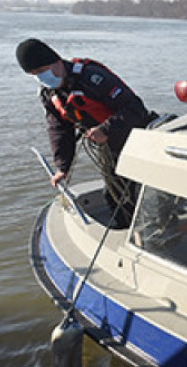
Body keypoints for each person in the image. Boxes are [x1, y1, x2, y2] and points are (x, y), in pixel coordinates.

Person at [16, 38, 157, 226]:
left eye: (42, 71)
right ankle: (130, 233)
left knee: (148, 192)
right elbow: (59, 130)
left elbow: (135, 108)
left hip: (139, 137)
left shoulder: (92, 78)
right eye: (34, 74)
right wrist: (62, 167)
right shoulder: (50, 94)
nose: (41, 78)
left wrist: (106, 129)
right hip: (110, 146)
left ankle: (163, 229)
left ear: (57, 63)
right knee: (115, 197)